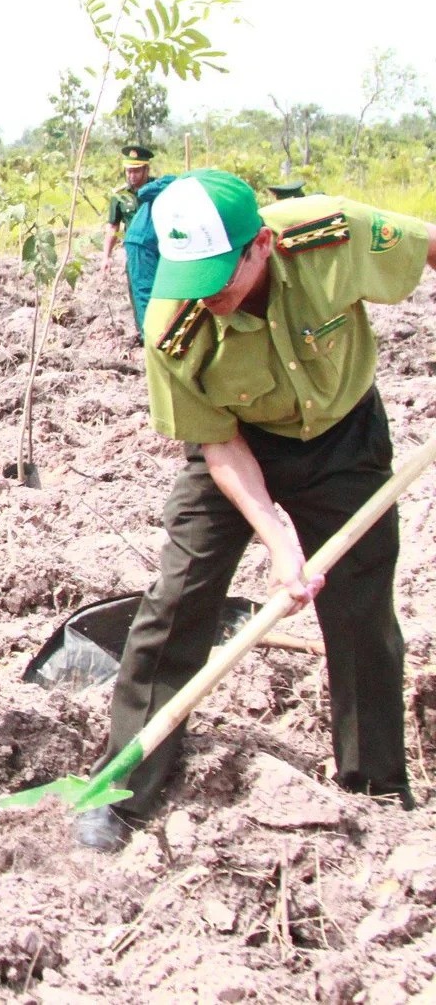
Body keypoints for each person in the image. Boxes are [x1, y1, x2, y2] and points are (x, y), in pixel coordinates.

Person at [75, 170, 435, 851]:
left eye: (220, 274)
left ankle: (376, 787)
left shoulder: (331, 234)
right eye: (192, 276)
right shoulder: (173, 322)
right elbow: (216, 443)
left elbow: (427, 247)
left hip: (343, 431)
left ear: (261, 244)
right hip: (237, 443)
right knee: (178, 596)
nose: (206, 293)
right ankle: (121, 789)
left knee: (362, 612)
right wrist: (274, 535)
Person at [105, 144, 174, 334]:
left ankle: (166, 329)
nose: (132, 176)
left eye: (136, 171)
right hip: (136, 252)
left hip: (161, 248)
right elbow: (113, 227)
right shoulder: (120, 196)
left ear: (146, 169)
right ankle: (146, 334)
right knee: (139, 293)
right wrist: (106, 256)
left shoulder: (158, 188)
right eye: (128, 171)